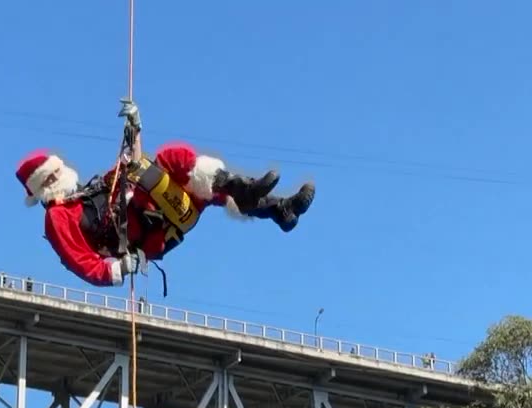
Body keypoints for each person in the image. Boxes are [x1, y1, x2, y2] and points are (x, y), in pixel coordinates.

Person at [16, 101, 315, 287]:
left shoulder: (86, 193)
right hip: (148, 232)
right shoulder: (58, 217)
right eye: (51, 176)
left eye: (57, 170)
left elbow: (130, 165)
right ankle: (249, 193)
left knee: (203, 183)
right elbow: (80, 262)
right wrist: (118, 269)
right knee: (172, 157)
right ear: (43, 187)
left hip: (160, 215)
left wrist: (134, 129)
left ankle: (278, 208)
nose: (60, 175)